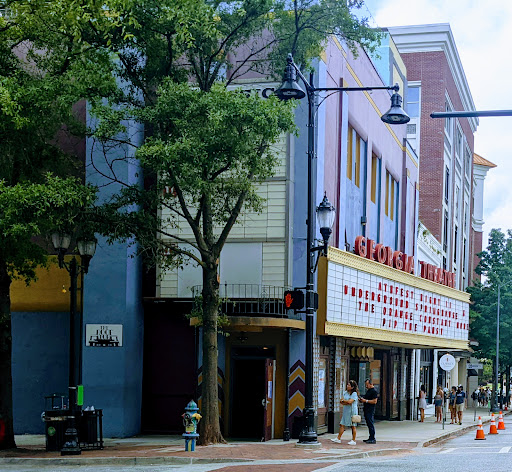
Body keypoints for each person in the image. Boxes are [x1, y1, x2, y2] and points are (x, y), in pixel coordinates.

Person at [331, 380, 359, 445]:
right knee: (342, 424)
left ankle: (353, 440)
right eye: (347, 385)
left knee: (353, 426)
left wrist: (345, 401)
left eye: (349, 385)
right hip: (346, 411)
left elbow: (350, 402)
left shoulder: (354, 394)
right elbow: (341, 401)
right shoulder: (345, 393)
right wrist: (345, 402)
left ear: (352, 387)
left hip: (352, 411)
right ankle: (338, 438)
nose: (347, 386)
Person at [359, 379, 378, 444]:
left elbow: (374, 401)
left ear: (371, 384)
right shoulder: (369, 391)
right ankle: (370, 437)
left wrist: (366, 401)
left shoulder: (374, 391)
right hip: (366, 408)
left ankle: (373, 438)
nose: (366, 386)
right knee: (368, 423)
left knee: (370, 423)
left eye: (367, 385)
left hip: (370, 409)